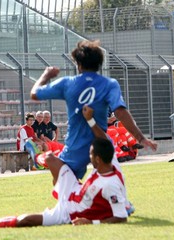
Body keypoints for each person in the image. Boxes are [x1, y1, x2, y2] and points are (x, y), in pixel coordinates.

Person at [30, 39, 157, 179]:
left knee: (62, 181)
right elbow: (120, 112)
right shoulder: (109, 84)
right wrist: (141, 138)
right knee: (112, 182)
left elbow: (35, 94)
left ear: (78, 64)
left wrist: (46, 75)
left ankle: (39, 159)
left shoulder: (67, 83)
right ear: (99, 63)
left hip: (76, 145)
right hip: (101, 144)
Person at [0, 138, 128, 228]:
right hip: (73, 189)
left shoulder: (110, 185)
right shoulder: (108, 163)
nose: (89, 157)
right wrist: (90, 119)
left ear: (97, 159)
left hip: (68, 212)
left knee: (26, 220)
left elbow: (121, 217)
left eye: (90, 155)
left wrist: (91, 222)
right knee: (49, 158)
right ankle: (37, 158)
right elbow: (103, 137)